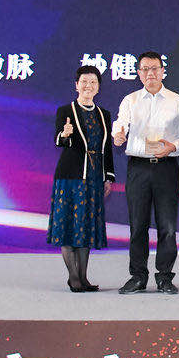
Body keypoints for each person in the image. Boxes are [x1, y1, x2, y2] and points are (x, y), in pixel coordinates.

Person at [112, 51, 179, 294]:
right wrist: (118, 134)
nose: (150, 73)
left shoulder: (177, 101)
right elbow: (120, 123)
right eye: (145, 69)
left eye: (154, 68)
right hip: (139, 167)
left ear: (163, 71)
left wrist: (172, 147)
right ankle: (138, 276)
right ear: (139, 73)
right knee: (138, 225)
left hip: (166, 167)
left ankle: (165, 277)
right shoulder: (131, 100)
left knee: (167, 227)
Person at [49, 64, 116, 292]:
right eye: (84, 82)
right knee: (69, 227)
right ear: (76, 85)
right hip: (70, 177)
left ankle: (84, 277)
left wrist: (108, 177)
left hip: (94, 179)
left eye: (93, 82)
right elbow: (59, 141)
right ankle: (73, 277)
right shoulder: (65, 111)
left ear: (98, 87)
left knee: (85, 228)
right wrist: (65, 134)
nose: (88, 86)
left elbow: (106, 149)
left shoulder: (104, 114)